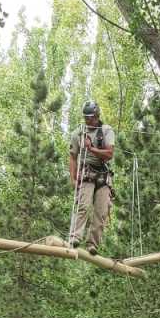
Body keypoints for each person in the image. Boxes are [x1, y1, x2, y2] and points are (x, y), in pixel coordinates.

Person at [68, 101, 115, 255]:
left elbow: (109, 154)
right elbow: (73, 157)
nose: (88, 120)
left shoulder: (106, 130)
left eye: (91, 117)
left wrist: (91, 149)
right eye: (86, 117)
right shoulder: (78, 133)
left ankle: (92, 243)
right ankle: (75, 236)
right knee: (83, 205)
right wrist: (73, 178)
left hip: (103, 174)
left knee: (101, 211)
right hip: (86, 173)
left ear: (97, 116)